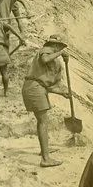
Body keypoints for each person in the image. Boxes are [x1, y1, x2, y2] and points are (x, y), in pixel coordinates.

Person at [21, 34, 70, 167]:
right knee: (43, 121)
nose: (58, 49)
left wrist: (62, 93)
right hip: (34, 88)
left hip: (37, 88)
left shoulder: (53, 60)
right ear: (55, 45)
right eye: (59, 47)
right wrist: (60, 53)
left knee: (42, 121)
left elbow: (47, 85)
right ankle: (45, 158)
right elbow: (45, 59)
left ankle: (45, 150)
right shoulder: (46, 50)